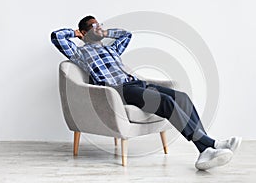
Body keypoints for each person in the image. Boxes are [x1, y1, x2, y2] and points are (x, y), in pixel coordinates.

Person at [51, 15, 241, 170]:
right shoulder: (80, 53)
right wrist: (76, 34)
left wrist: (103, 31)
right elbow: (56, 37)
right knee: (165, 102)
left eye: (100, 24)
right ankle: (209, 145)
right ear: (84, 32)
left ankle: (206, 149)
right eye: (94, 26)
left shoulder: (111, 49)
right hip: (119, 91)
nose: (99, 28)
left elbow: (126, 35)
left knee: (181, 97)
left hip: (137, 84)